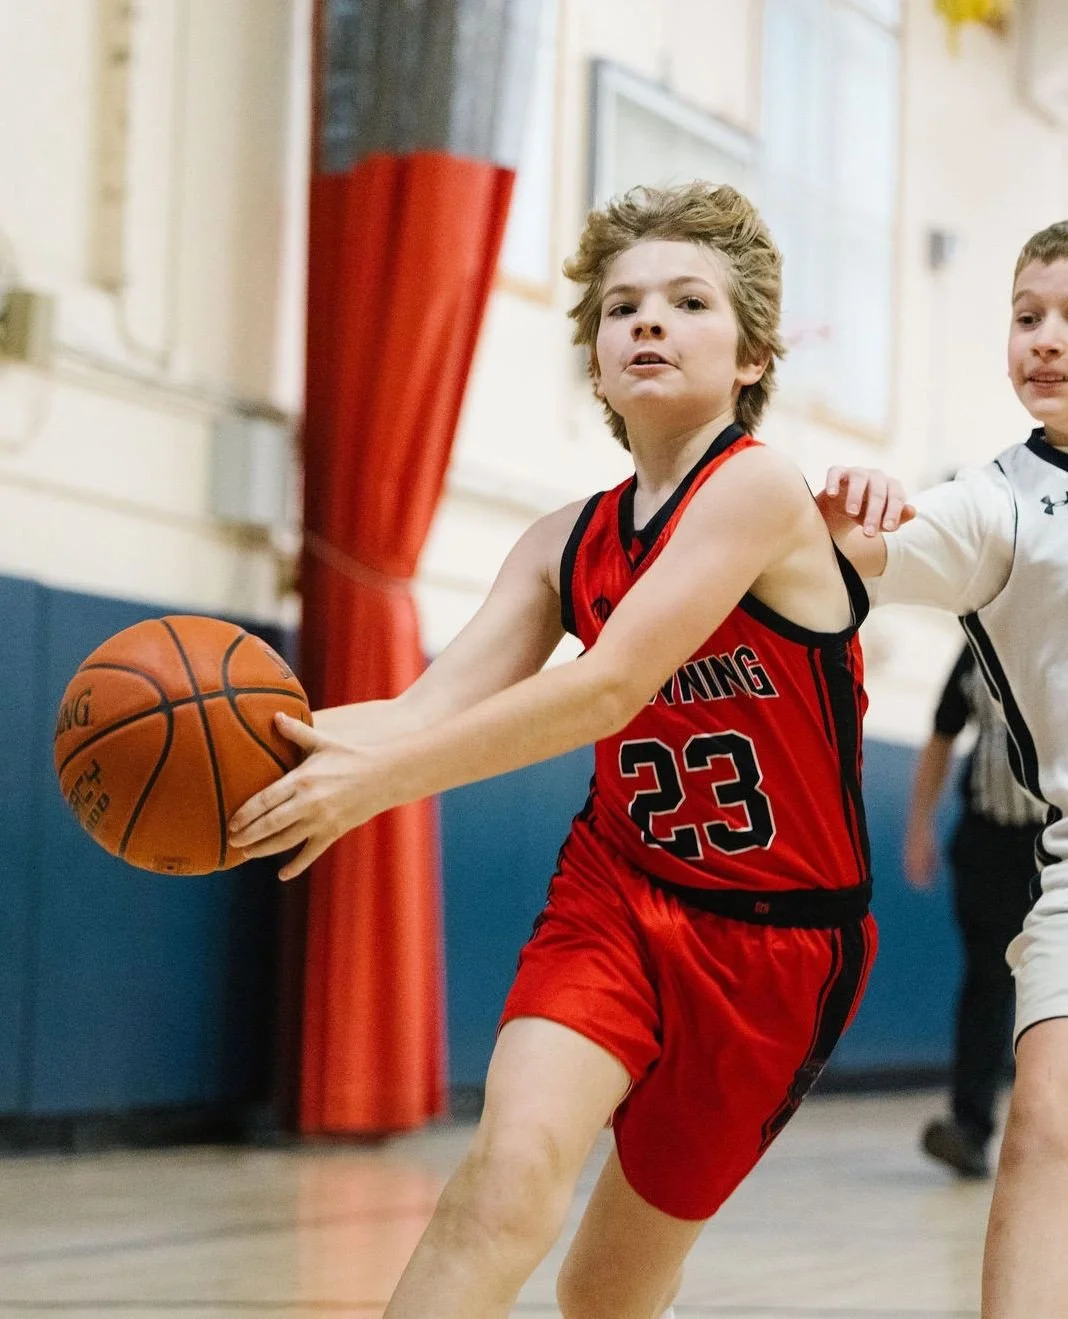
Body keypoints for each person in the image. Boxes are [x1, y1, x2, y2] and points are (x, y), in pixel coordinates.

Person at [230, 181, 878, 1319]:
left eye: (688, 301)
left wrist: (378, 785)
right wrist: (261, 749)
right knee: (507, 1180)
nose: (647, 321)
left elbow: (610, 684)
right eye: (622, 305)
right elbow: (423, 707)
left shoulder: (761, 489)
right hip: (616, 897)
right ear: (593, 361)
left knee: (604, 1290)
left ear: (751, 356)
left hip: (779, 944)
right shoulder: (560, 541)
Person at [817, 219, 1068, 1318]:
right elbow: (861, 552)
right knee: (1047, 1124)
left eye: (1067, 317)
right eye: (1026, 316)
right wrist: (848, 517)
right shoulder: (998, 501)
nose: (1045, 340)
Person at [905, 644, 1043, 1178]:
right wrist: (920, 824)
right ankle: (970, 1130)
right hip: (987, 842)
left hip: (1056, 838)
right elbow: (943, 733)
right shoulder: (981, 645)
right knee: (987, 982)